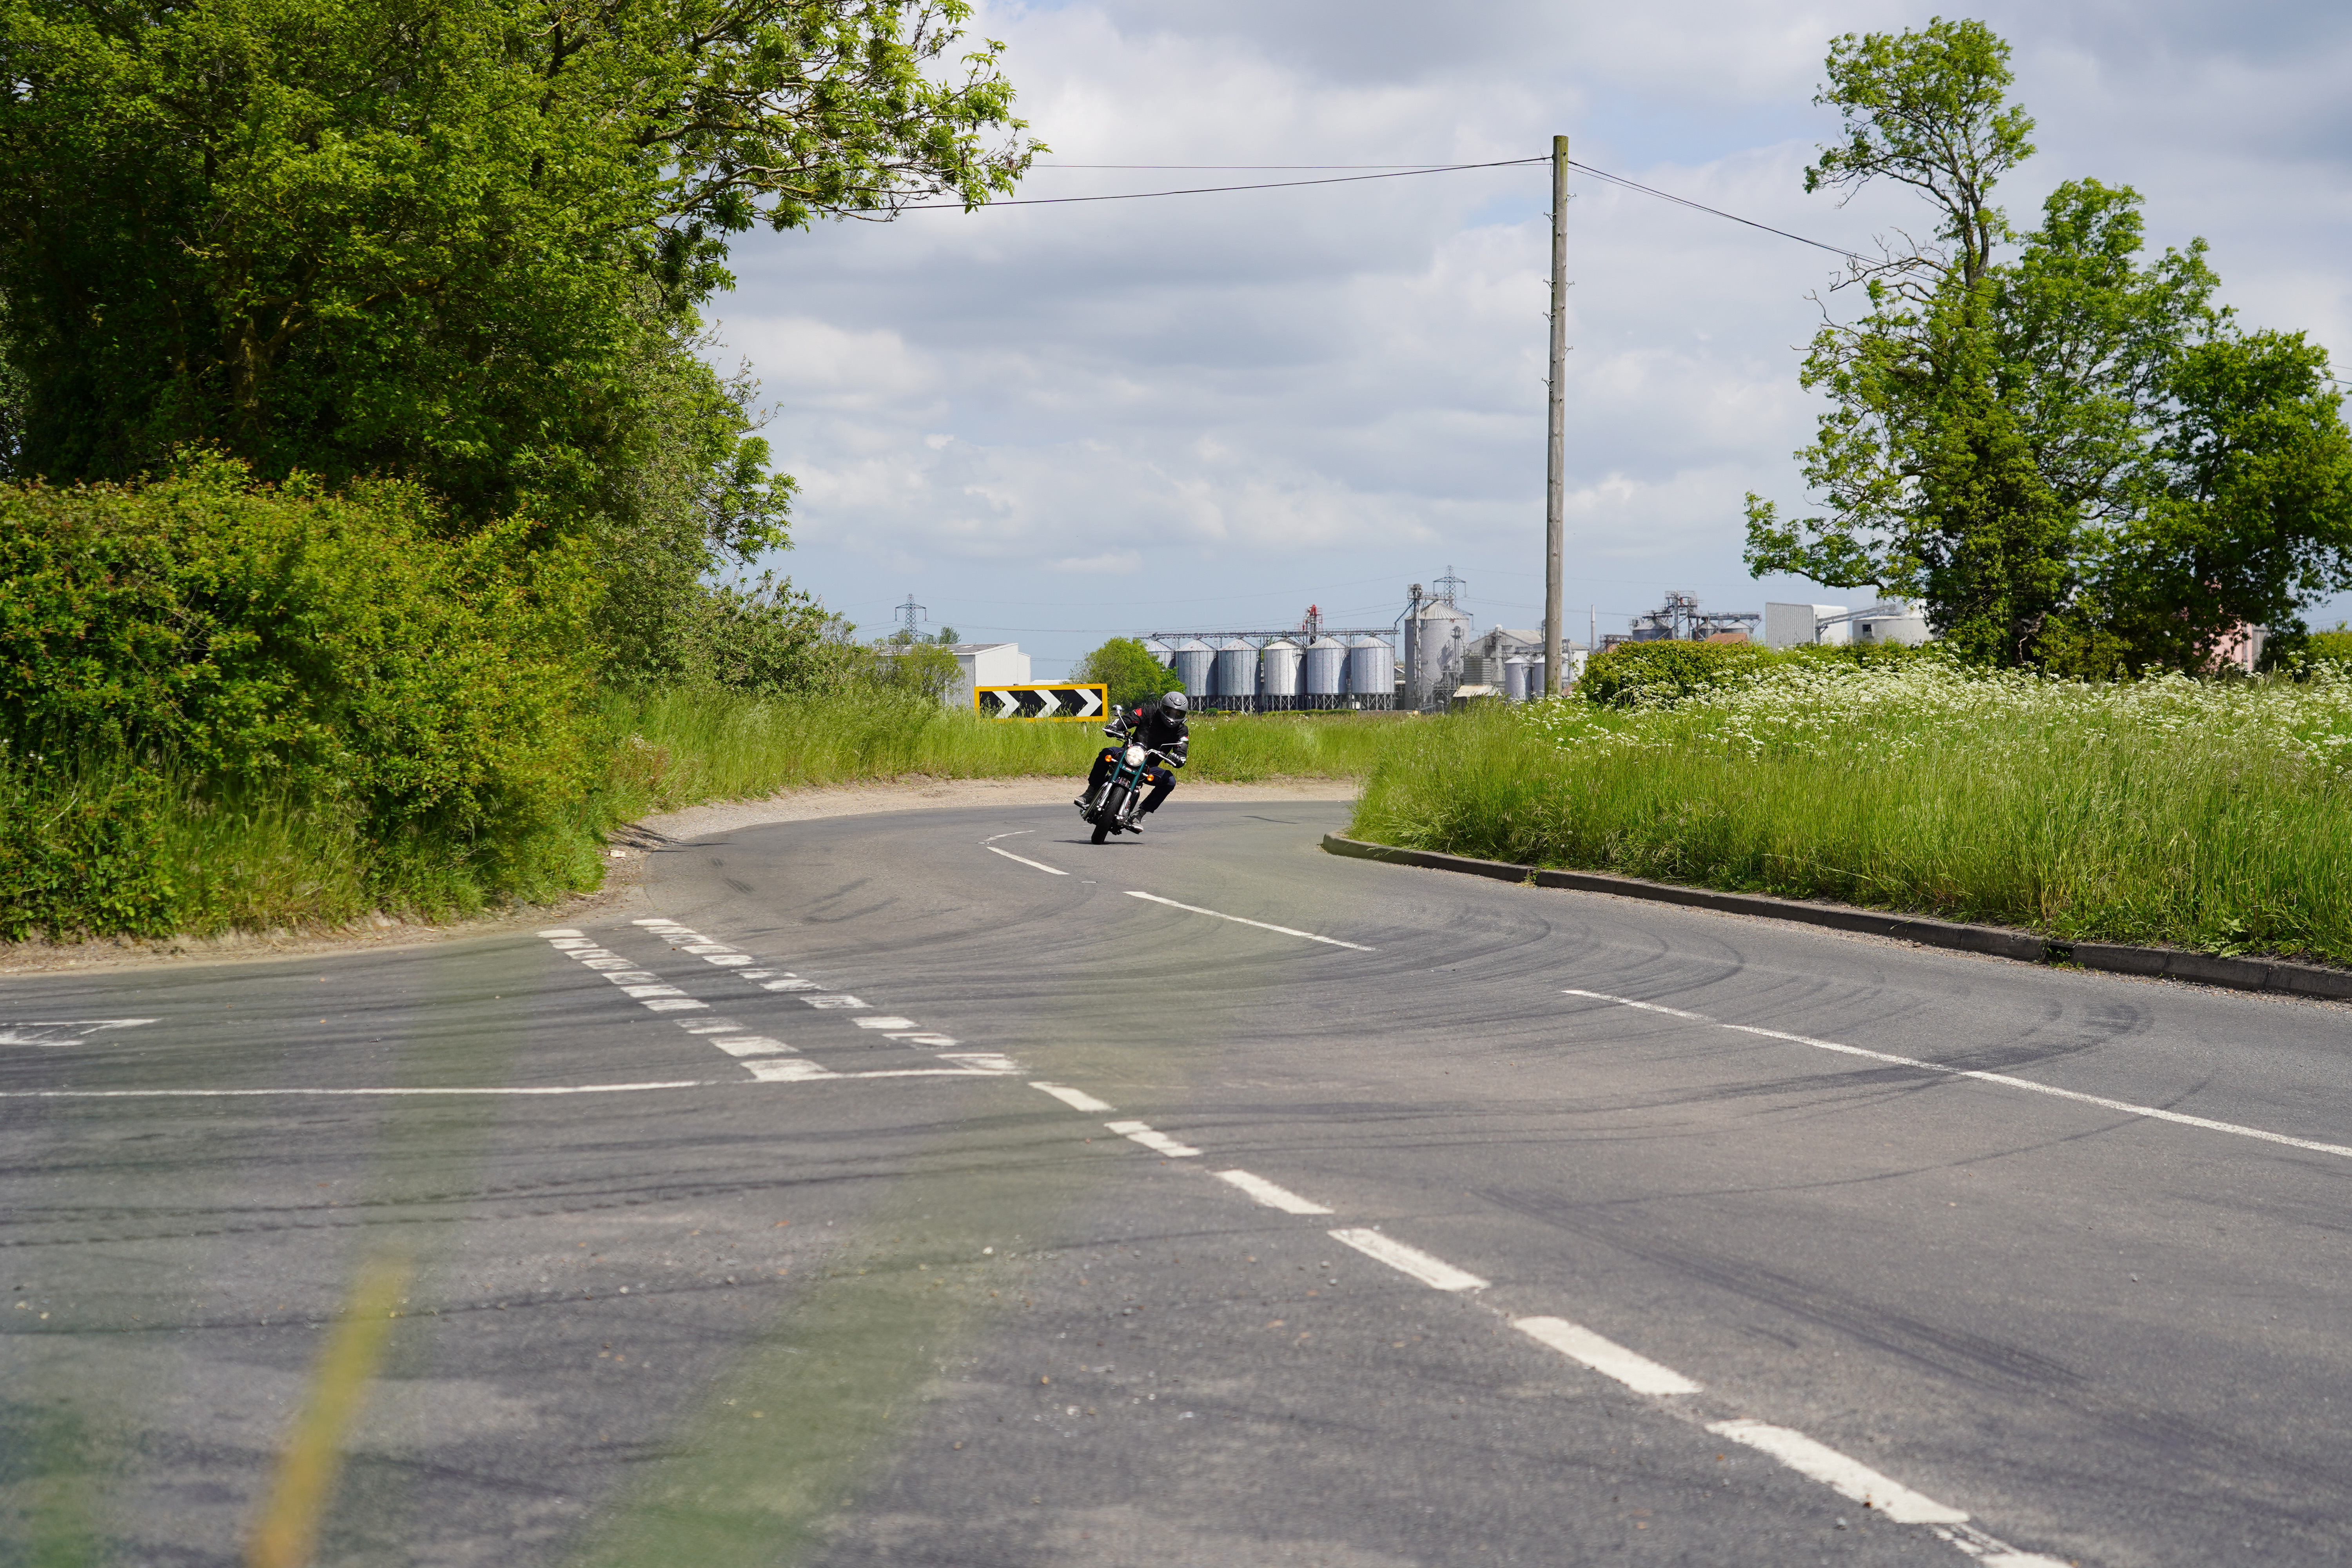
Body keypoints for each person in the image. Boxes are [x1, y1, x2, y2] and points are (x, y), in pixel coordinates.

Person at [1079, 690, 1191, 828]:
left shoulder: (1182, 730)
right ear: (1163, 708)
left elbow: (1182, 746)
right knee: (1106, 753)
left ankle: (1140, 813)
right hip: (1128, 754)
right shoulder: (1148, 711)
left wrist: (1179, 757)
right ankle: (1091, 791)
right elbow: (1129, 718)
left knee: (1170, 781)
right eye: (1170, 711)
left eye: (1178, 714)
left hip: (1149, 766)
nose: (1174, 716)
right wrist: (1116, 726)